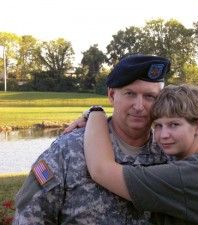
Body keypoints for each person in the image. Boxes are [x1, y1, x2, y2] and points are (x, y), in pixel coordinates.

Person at [13, 54, 171, 224]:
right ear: (111, 95)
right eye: (130, 94)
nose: (139, 106)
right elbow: (30, 217)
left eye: (150, 96)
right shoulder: (67, 150)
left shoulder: (170, 154)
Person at [83, 84, 198, 225]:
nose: (163, 135)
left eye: (174, 124)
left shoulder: (188, 176)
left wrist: (95, 113)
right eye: (158, 125)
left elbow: (101, 170)